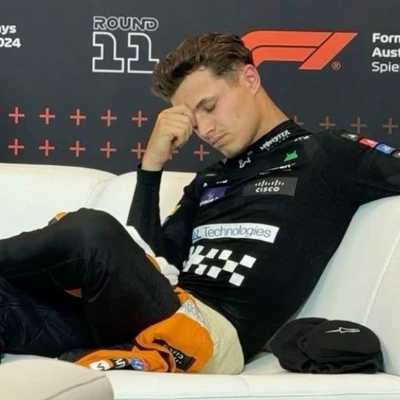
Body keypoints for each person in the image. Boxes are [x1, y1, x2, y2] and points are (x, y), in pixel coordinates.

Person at [1, 32, 400, 375]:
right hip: (156, 314)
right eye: (193, 120)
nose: (205, 129)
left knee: (91, 231)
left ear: (250, 78)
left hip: (211, 336)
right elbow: (147, 259)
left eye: (209, 107)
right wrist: (151, 166)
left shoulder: (326, 153)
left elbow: (105, 248)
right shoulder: (208, 180)